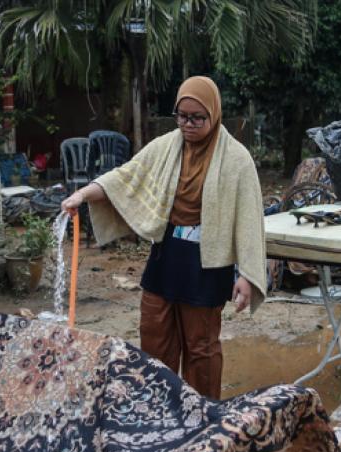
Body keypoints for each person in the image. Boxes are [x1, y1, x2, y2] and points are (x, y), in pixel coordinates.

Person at [61, 76, 266, 399]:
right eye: (182, 116)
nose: (188, 124)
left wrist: (249, 276)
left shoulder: (236, 159)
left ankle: (201, 416)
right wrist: (83, 195)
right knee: (154, 336)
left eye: (197, 118)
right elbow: (125, 177)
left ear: (214, 114)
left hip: (207, 263)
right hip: (166, 254)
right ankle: (159, 410)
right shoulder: (167, 146)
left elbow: (250, 218)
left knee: (201, 347)